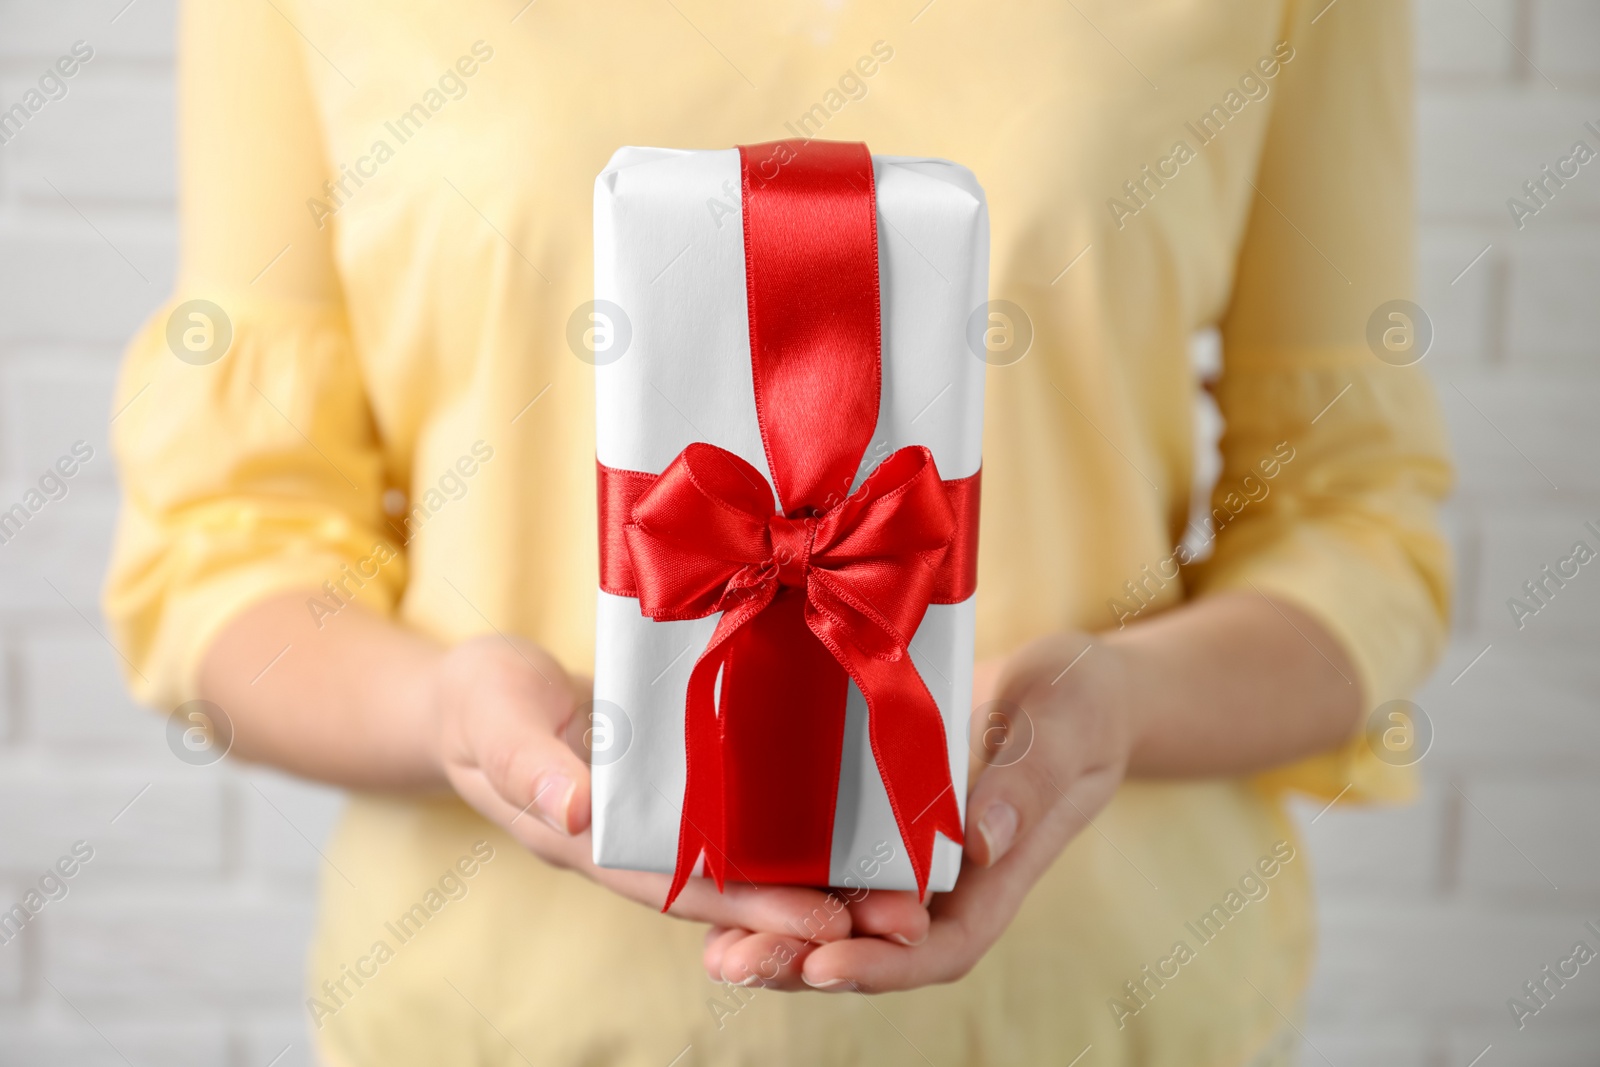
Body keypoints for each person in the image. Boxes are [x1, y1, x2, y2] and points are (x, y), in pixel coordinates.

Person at [105, 0, 1452, 1064]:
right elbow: (231, 545)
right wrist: (450, 715)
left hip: (1113, 1019)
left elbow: (1355, 518)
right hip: (503, 1032)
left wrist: (1124, 702)